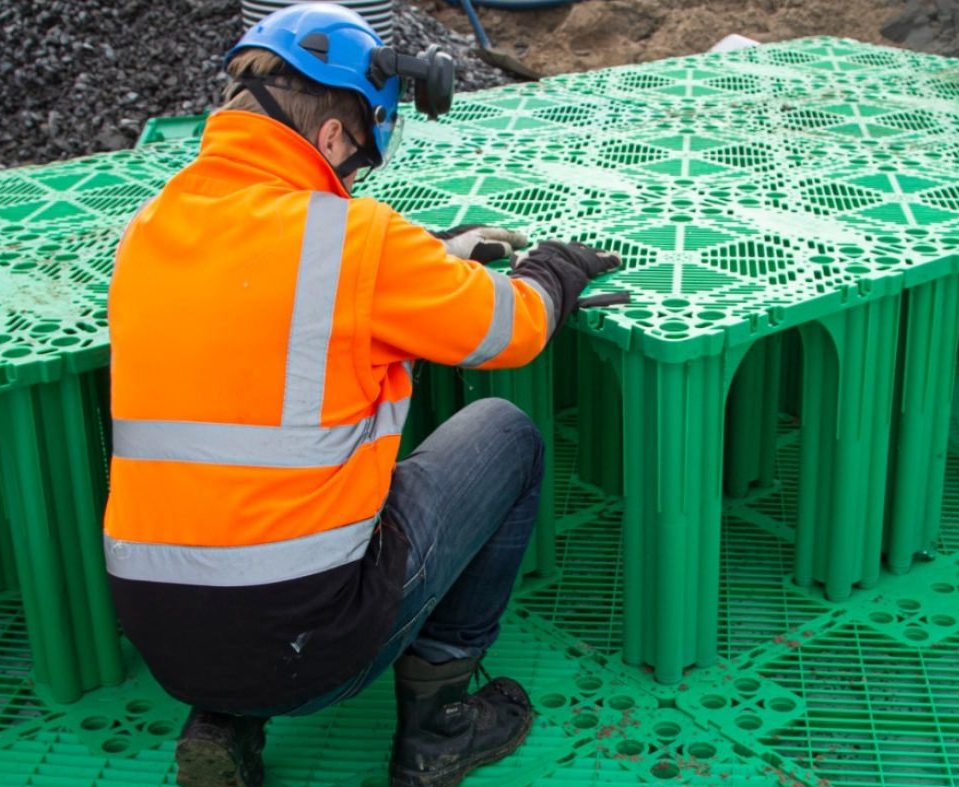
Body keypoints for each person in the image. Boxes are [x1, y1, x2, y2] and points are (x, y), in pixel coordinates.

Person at [100, 4, 619, 786]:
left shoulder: (149, 230)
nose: (350, 182)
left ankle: (221, 720)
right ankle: (439, 725)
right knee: (505, 434)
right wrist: (555, 268)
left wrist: (435, 256)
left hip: (162, 634)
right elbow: (513, 329)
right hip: (309, 645)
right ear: (335, 135)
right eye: (355, 162)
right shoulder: (356, 240)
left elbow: (269, 292)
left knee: (240, 502)